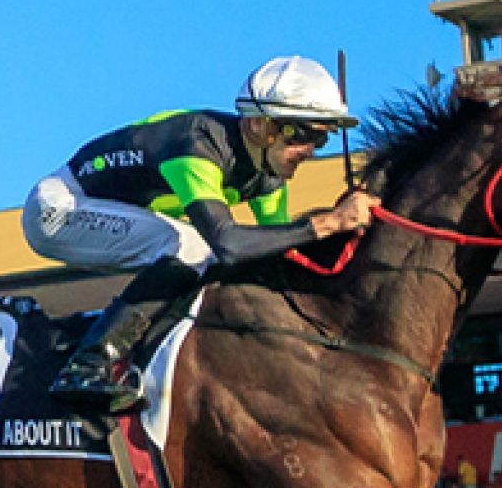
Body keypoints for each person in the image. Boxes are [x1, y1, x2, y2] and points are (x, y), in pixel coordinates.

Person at [23, 56, 374, 413]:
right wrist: (330, 222)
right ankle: (88, 364)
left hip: (114, 213)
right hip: (58, 210)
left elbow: (277, 252)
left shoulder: (268, 176)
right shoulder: (197, 146)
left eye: (321, 139)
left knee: (209, 257)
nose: (311, 152)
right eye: (303, 135)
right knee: (191, 245)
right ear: (259, 126)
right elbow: (229, 244)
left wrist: (347, 233)